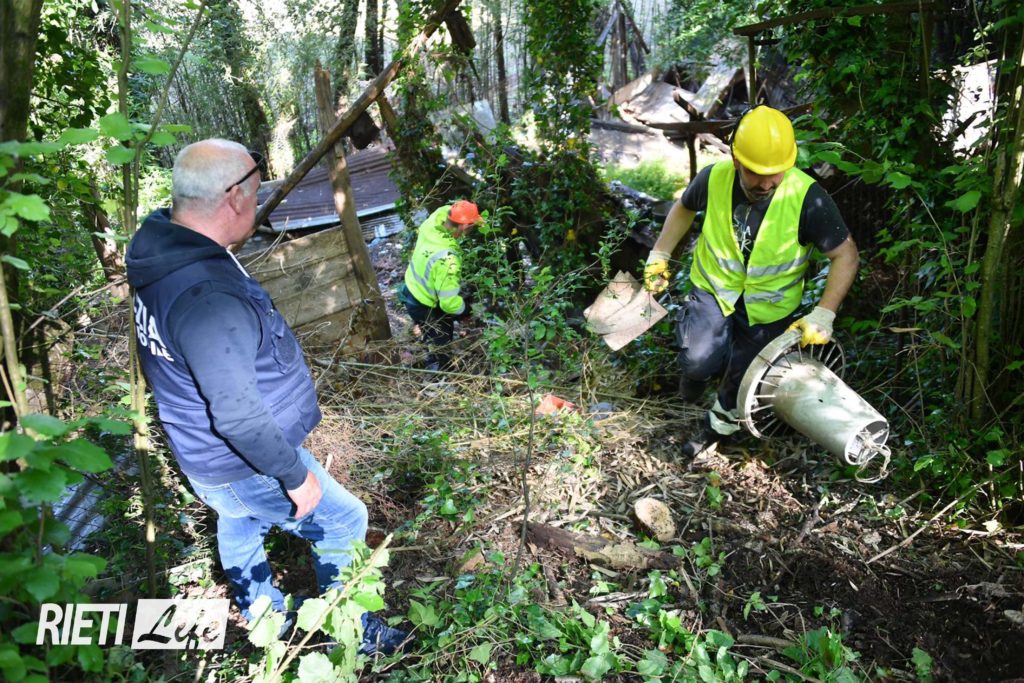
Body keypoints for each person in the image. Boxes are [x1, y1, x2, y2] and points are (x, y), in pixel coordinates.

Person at [126, 139, 407, 654]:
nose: (257, 205)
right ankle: (353, 633)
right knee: (344, 519)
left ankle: (265, 619)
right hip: (241, 460)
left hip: (204, 456)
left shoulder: (165, 252)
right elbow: (238, 415)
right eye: (256, 195)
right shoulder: (206, 296)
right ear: (234, 197)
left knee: (239, 519)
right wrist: (294, 475)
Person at [643, 106, 859, 458]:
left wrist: (824, 313)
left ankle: (715, 429)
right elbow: (684, 207)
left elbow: (845, 255)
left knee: (743, 378)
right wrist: (660, 254)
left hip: (770, 308)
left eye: (775, 174)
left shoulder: (808, 198)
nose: (766, 184)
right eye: (756, 174)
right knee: (698, 361)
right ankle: (696, 373)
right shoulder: (714, 178)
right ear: (736, 160)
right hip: (714, 290)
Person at [398, 200, 482, 371]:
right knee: (440, 340)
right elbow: (448, 304)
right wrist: (466, 310)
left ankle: (430, 346)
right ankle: (439, 373)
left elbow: (446, 209)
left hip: (411, 286)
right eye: (471, 228)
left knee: (438, 325)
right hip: (421, 303)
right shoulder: (447, 260)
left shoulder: (433, 223)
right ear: (464, 227)